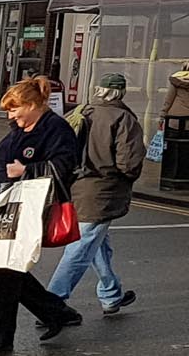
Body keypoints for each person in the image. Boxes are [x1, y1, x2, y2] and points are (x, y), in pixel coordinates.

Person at [0, 77, 82, 354]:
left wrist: (27, 170)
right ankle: (57, 312)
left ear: (31, 104)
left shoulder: (56, 129)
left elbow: (65, 166)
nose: (10, 115)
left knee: (6, 269)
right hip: (3, 205)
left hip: (29, 207)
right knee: (6, 266)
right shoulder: (17, 130)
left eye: (13, 109)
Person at [48, 72, 145, 316]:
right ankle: (51, 303)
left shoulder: (80, 112)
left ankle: (111, 294)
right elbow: (129, 164)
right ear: (121, 92)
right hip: (102, 191)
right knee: (80, 249)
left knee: (97, 244)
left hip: (74, 187)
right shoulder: (123, 118)